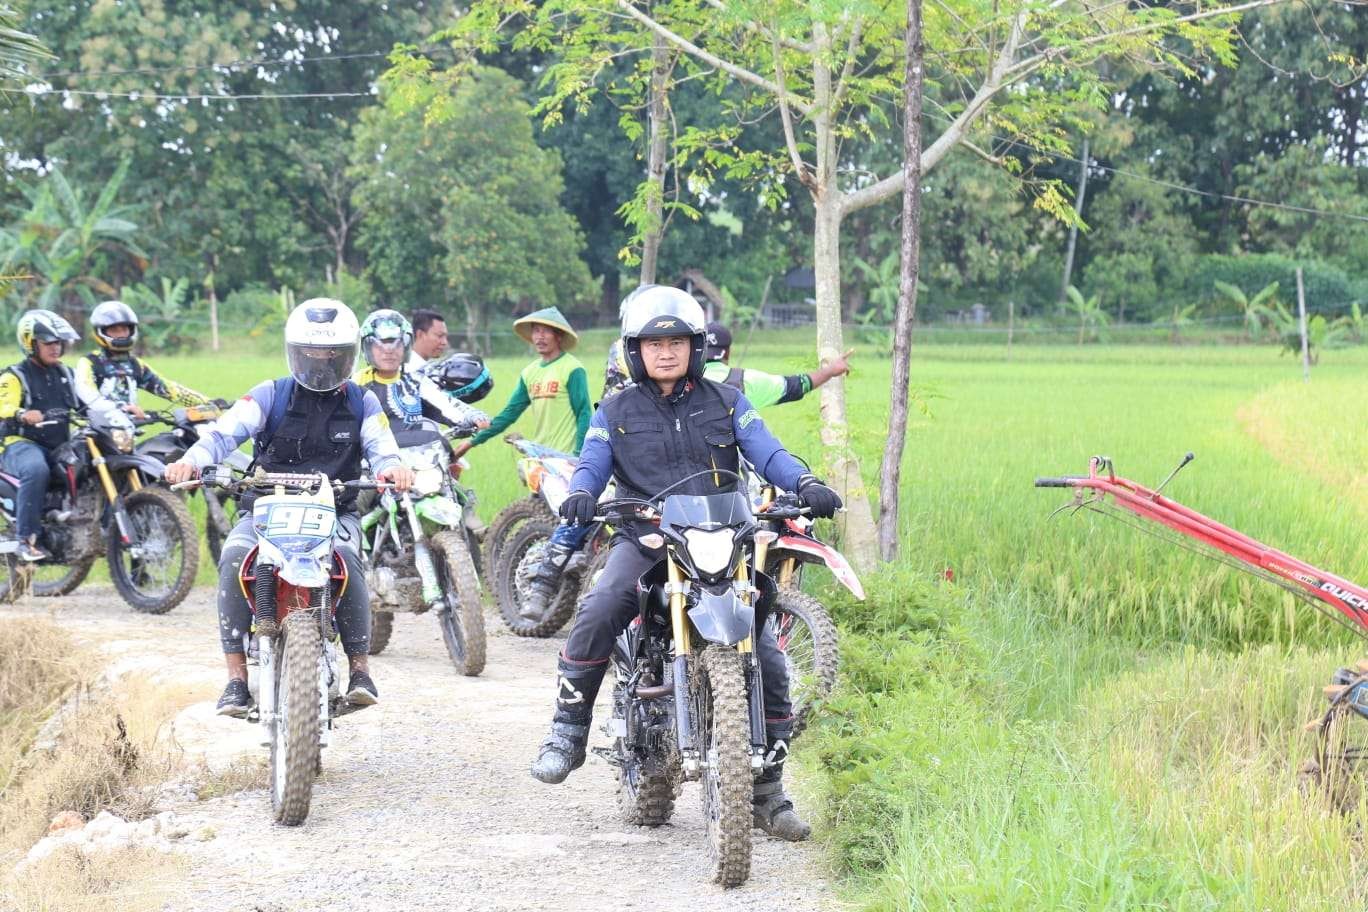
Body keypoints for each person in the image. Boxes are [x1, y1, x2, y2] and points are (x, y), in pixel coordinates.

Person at [528, 284, 843, 842]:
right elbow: (593, 463)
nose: (666, 351)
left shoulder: (726, 401)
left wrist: (806, 481)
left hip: (723, 536)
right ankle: (567, 730)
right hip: (648, 537)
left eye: (677, 341)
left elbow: (766, 450)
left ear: (696, 347)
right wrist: (581, 495)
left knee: (765, 649)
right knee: (602, 604)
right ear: (635, 351)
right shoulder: (615, 408)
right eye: (654, 343)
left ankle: (768, 792)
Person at [163, 300, 415, 717]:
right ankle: (236, 680)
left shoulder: (363, 402)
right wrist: (191, 460)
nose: (321, 365)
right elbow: (222, 435)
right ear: (294, 353)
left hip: (334, 511)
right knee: (232, 557)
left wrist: (394, 469)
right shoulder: (270, 394)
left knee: (348, 560)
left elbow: (384, 450)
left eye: (332, 356)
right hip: (264, 510)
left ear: (349, 355)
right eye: (312, 355)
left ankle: (360, 670)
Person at [0, 310, 112, 562]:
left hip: (59, 444)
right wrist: (21, 414)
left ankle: (99, 529)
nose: (55, 348)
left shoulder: (67, 374)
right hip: (20, 444)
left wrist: (117, 410)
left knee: (94, 465)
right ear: (31, 343)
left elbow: (91, 400)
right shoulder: (14, 376)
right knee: (36, 469)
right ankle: (26, 539)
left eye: (58, 343)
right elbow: (2, 405)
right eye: (48, 342)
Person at [73, 300, 215, 417]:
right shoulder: (90, 363)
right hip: (91, 438)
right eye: (114, 330)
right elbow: (88, 395)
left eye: (124, 329)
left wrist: (209, 403)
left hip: (125, 437)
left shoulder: (135, 365)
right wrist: (121, 408)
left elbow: (169, 389)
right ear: (100, 332)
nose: (121, 334)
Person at [354, 309, 490, 430]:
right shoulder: (356, 383)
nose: (389, 351)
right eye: (380, 345)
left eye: (396, 344)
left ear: (406, 345)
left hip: (417, 452)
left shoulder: (415, 380)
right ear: (368, 348)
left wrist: (472, 415)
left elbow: (445, 403)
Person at [701, 321, 853, 408]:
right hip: (727, 463)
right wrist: (830, 371)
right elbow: (795, 386)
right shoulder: (745, 381)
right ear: (728, 352)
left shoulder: (680, 380)